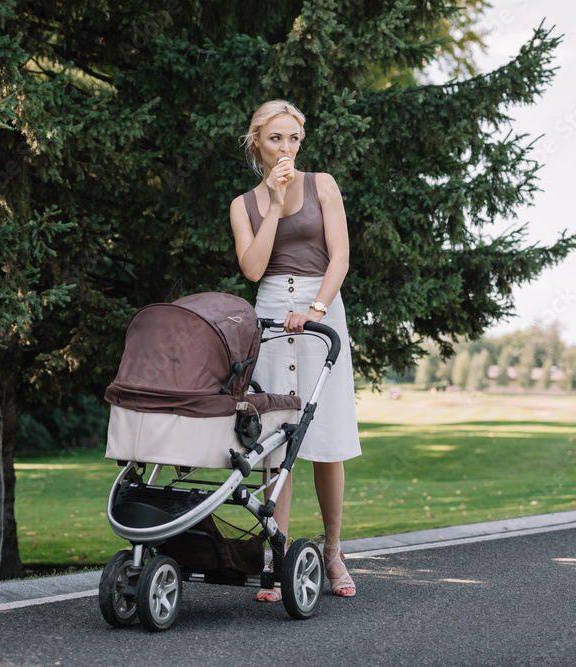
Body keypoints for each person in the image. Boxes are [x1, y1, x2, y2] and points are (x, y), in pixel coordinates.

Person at [229, 99, 361, 601]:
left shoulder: (323, 184)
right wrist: (277, 206)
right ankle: (276, 552)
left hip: (319, 307)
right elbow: (253, 269)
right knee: (274, 438)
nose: (286, 149)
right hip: (269, 311)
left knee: (324, 437)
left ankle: (332, 551)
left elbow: (341, 254)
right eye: (275, 139)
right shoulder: (243, 205)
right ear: (257, 143)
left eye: (293, 139)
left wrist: (317, 310)